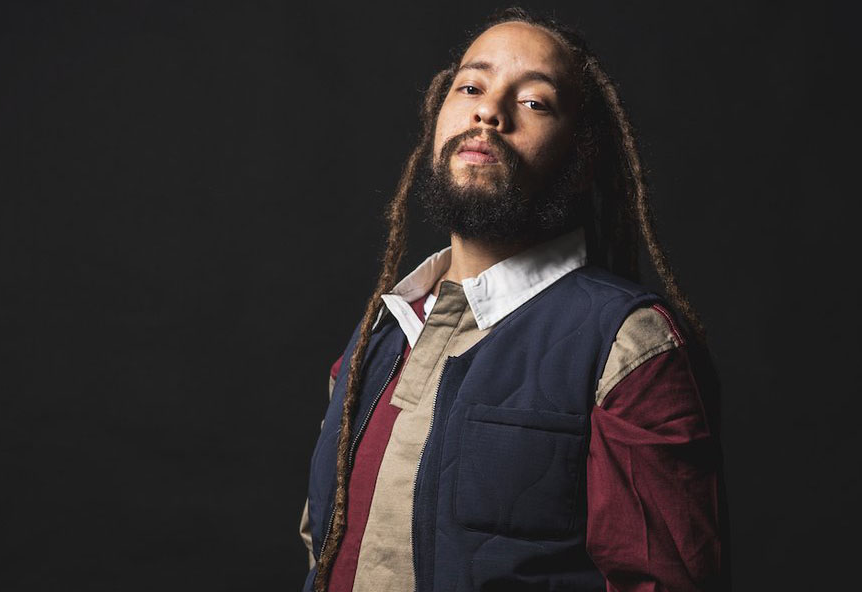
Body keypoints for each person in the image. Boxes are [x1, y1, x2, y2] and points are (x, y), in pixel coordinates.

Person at [300, 8, 728, 591]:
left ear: (580, 156)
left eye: (533, 102)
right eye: (471, 88)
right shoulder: (382, 331)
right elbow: (321, 547)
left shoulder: (628, 346)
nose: (489, 111)